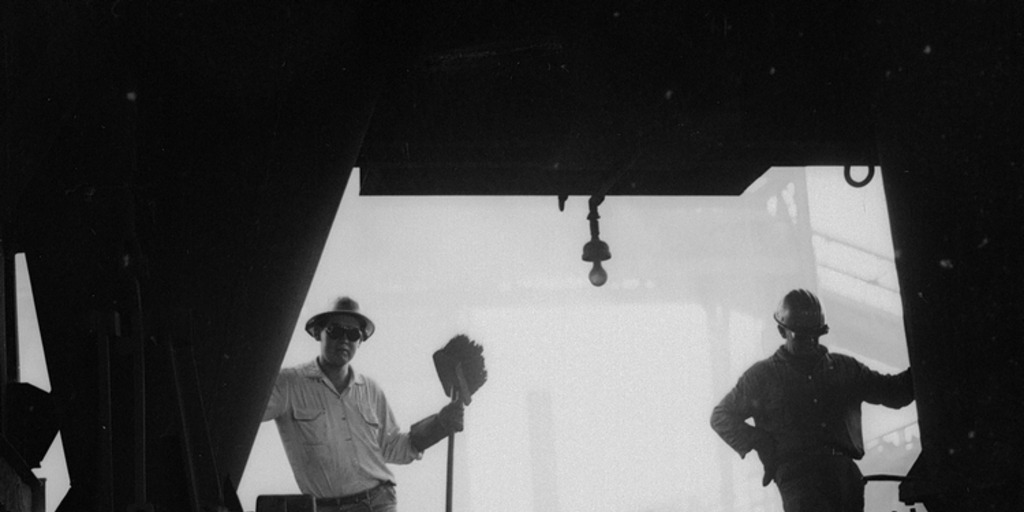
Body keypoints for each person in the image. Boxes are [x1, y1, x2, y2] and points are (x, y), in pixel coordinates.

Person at [710, 289, 915, 512]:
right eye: (802, 336)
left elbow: (895, 393)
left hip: (844, 477)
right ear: (782, 331)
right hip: (799, 480)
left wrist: (927, 364)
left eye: (816, 335)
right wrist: (758, 440)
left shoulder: (844, 369)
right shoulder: (761, 377)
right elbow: (721, 416)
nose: (811, 342)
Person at [263, 296, 464, 512]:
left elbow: (394, 447)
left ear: (360, 341)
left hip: (378, 504)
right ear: (318, 333)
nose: (344, 339)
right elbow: (239, 416)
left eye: (353, 334)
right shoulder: (288, 384)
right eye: (335, 330)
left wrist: (439, 426)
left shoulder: (371, 390)